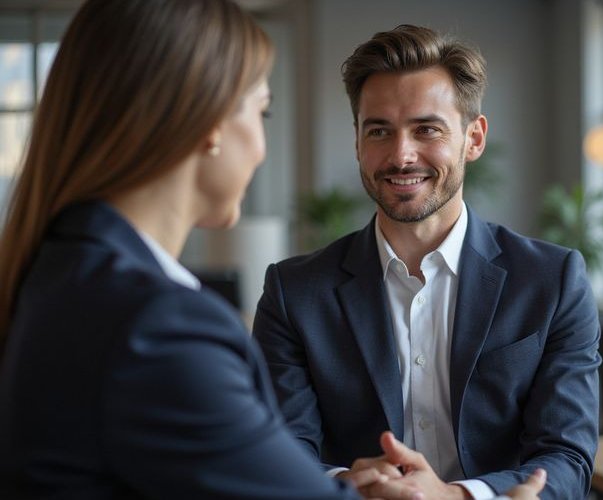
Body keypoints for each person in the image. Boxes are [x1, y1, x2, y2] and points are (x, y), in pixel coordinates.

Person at [0, 2, 551, 499]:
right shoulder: (158, 324)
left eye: (426, 129)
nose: (262, 148)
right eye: (260, 112)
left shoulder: (69, 271)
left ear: (473, 137)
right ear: (209, 124)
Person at [253, 24, 600, 500]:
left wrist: (456, 497)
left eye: (427, 129)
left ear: (473, 138)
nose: (401, 155)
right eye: (379, 131)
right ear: (357, 142)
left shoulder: (552, 281)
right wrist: (349, 487)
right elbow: (280, 453)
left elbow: (567, 457)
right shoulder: (294, 293)